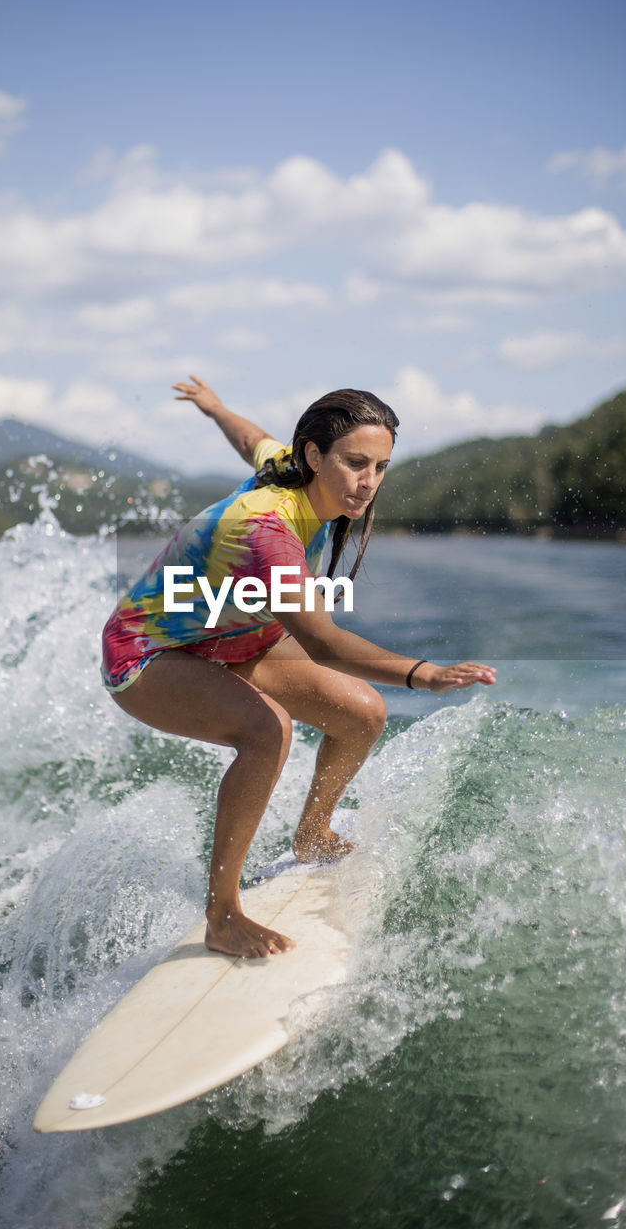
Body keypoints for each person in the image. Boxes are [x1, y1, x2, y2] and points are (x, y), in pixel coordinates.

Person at [102, 376, 496, 960]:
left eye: (382, 466)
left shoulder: (290, 465)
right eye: (356, 463)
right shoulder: (268, 532)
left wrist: (216, 409)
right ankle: (223, 915)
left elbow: (251, 440)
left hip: (229, 634)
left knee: (362, 712)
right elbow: (324, 645)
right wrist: (424, 673)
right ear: (316, 456)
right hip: (150, 651)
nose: (368, 483)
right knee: (268, 732)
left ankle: (312, 836)